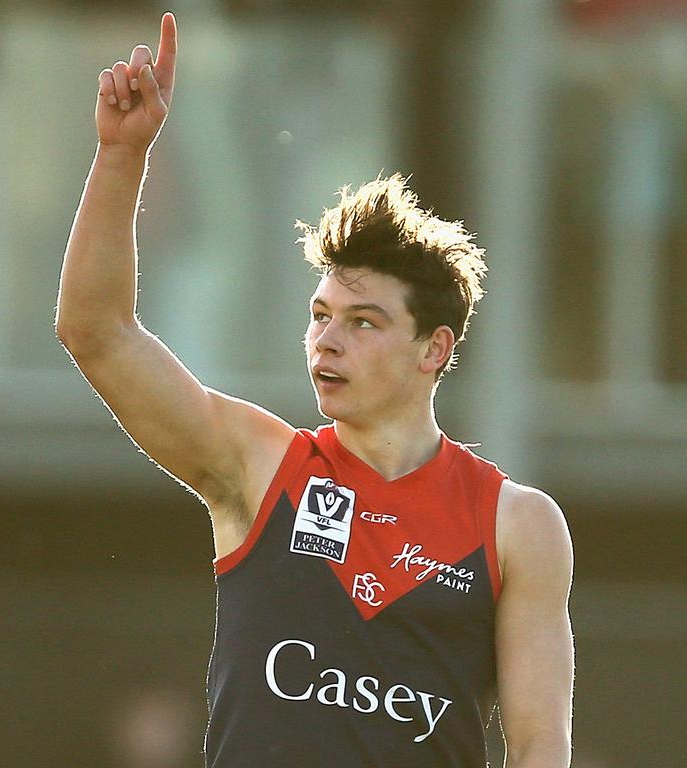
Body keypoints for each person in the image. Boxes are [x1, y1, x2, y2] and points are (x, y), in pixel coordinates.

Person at [55, 12, 574, 767]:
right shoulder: (262, 467)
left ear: (435, 349)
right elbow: (94, 331)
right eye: (321, 315)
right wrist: (120, 154)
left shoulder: (516, 525)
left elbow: (538, 748)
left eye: (364, 322)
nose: (328, 340)